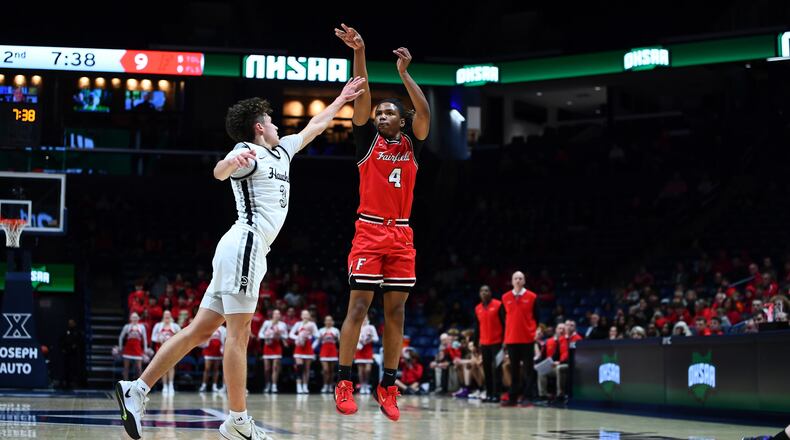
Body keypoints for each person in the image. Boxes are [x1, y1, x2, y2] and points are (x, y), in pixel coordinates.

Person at [115, 77, 367, 440]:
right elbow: (219, 172)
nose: (279, 125)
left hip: (241, 250)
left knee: (200, 331)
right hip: (244, 246)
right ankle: (237, 420)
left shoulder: (282, 151)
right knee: (239, 334)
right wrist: (230, 161)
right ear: (259, 127)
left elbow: (315, 125)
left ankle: (137, 388)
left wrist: (342, 99)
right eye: (273, 120)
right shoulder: (248, 151)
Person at [333, 23, 431, 423]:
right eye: (378, 113)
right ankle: (344, 381)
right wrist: (360, 50)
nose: (381, 116)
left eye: (389, 113)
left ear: (401, 121)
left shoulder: (413, 142)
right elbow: (362, 93)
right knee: (358, 306)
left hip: (402, 232)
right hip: (369, 229)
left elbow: (423, 112)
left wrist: (405, 74)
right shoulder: (366, 142)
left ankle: (388, 385)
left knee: (397, 314)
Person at [500, 271, 539, 407]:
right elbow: (504, 318)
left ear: (524, 281)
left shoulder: (532, 296)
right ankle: (513, 398)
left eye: (520, 278)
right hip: (511, 339)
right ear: (512, 281)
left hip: (527, 339)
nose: (518, 280)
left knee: (528, 369)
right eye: (515, 278)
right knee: (514, 370)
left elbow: (537, 317)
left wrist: (532, 331)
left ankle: (527, 397)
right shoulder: (505, 297)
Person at [474, 284, 504, 403]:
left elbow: (504, 324)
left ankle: (497, 395)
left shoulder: (498, 305)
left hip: (497, 343)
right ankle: (489, 394)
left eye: (486, 291)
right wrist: (475, 343)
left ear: (490, 293)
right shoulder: (477, 308)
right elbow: (477, 327)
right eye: (482, 291)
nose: (484, 293)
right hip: (484, 344)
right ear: (479, 294)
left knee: (497, 369)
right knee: (486, 369)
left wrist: (505, 341)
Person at [150, 311, 181, 395]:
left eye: (168, 315)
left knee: (171, 367)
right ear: (163, 316)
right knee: (163, 368)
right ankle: (165, 386)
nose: (167, 316)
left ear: (170, 316)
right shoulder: (158, 325)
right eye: (165, 315)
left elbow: (181, 337)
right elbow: (153, 337)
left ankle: (171, 385)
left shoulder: (175, 326)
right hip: (161, 348)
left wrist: (173, 339)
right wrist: (159, 339)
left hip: (172, 349)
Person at [258, 309, 288, 394]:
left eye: (278, 314)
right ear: (272, 315)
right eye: (275, 314)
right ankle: (268, 384)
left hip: (277, 347)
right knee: (267, 369)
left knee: (275, 367)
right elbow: (260, 334)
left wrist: (279, 334)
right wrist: (268, 336)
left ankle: (274, 385)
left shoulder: (283, 325)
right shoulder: (267, 323)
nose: (277, 315)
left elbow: (286, 335)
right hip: (267, 347)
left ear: (280, 316)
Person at [290, 310, 319, 394]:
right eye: (304, 314)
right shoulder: (298, 324)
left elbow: (317, 336)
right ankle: (298, 386)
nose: (305, 316)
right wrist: (299, 337)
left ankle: (305, 386)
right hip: (299, 348)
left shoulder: (312, 324)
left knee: (307, 369)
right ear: (301, 316)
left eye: (307, 315)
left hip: (308, 348)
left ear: (309, 316)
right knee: (299, 367)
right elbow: (291, 334)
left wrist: (309, 335)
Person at [354, 315, 380, 395]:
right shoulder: (357, 326)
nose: (364, 318)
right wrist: (360, 341)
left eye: (365, 316)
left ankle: (366, 384)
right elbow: (354, 338)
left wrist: (369, 339)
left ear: (368, 318)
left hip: (368, 350)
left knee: (368, 370)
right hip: (359, 350)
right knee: (361, 371)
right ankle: (362, 386)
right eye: (363, 316)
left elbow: (376, 338)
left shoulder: (371, 327)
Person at [118, 313, 148, 381]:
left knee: (139, 368)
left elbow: (145, 338)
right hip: (128, 349)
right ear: (130, 318)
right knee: (126, 368)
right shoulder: (127, 326)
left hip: (137, 349)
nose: (134, 319)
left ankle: (139, 384)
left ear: (138, 318)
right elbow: (121, 337)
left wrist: (145, 349)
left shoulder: (142, 327)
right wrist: (120, 347)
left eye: (136, 317)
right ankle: (125, 384)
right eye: (133, 317)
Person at [199, 325, 226, 393]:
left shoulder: (223, 329)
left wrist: (222, 349)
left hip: (217, 351)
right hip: (209, 350)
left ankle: (214, 386)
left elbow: (224, 339)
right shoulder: (209, 326)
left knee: (216, 369)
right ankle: (204, 385)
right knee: (207, 368)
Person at [318, 315, 341, 394]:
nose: (328, 322)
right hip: (324, 351)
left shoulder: (336, 330)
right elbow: (318, 341)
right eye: (327, 320)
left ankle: (330, 385)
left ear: (332, 322)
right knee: (325, 370)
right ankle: (325, 385)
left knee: (331, 370)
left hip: (333, 350)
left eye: (330, 320)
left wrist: (336, 338)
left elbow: (339, 341)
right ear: (324, 322)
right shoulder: (321, 330)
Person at [59, 319, 84, 389]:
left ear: (74, 324)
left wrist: (75, 346)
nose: (70, 324)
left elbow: (79, 342)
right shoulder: (66, 331)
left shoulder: (77, 332)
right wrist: (63, 349)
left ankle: (75, 383)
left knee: (74, 369)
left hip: (74, 354)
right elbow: (61, 341)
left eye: (72, 323)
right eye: (69, 323)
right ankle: (66, 383)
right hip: (67, 354)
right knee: (66, 369)